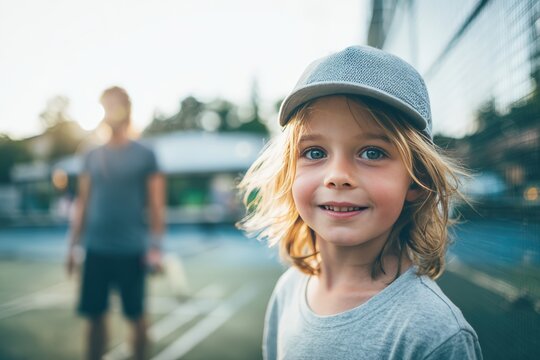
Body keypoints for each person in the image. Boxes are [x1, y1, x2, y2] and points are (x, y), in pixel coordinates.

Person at [237, 46, 483, 359]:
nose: (337, 176)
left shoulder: (434, 333)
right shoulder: (288, 290)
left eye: (372, 152)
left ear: (417, 179)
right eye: (315, 152)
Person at [66, 86, 166, 360]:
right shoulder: (89, 153)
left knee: (136, 318)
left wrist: (156, 247)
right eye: (105, 105)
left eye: (116, 104)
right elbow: (83, 203)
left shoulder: (146, 154)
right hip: (96, 249)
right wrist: (72, 245)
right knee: (94, 320)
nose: (110, 111)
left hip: (132, 250)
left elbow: (157, 206)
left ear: (127, 109)